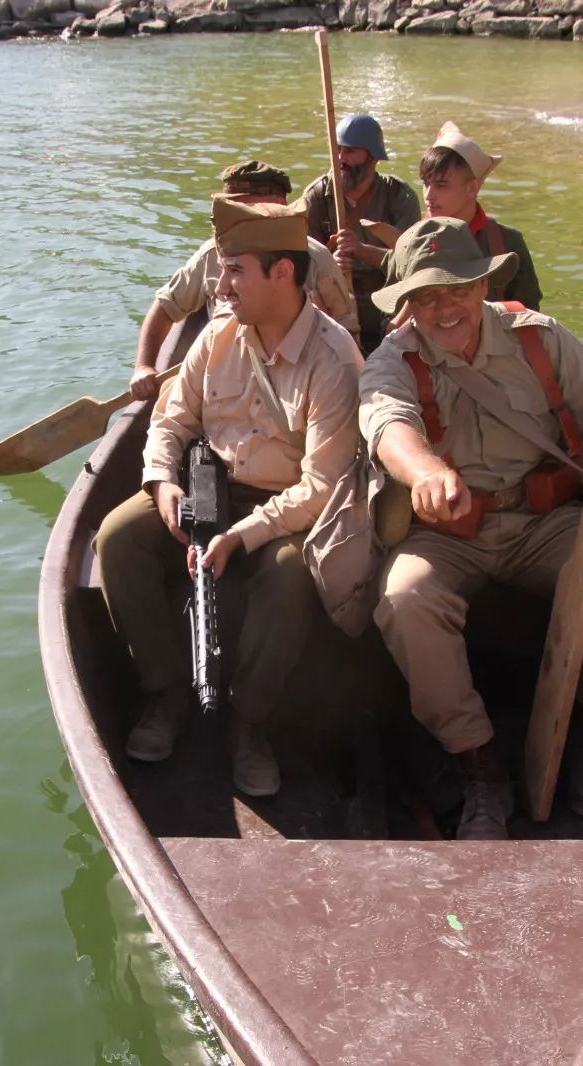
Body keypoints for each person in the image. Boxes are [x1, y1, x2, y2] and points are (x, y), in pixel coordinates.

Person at [357, 218, 583, 840]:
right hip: (449, 531)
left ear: (482, 285)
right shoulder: (393, 360)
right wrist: (427, 472)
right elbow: (388, 427)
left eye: (457, 290)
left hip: (547, 519)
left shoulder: (540, 339)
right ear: (407, 305)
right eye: (426, 296)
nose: (444, 308)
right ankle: (480, 769)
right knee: (405, 599)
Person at [95, 196, 363, 797]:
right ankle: (166, 693)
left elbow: (323, 486)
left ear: (283, 272)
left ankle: (251, 720)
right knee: (117, 536)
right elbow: (171, 421)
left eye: (235, 269)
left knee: (293, 573)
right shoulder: (217, 339)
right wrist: (163, 482)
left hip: (286, 507)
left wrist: (242, 536)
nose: (221, 284)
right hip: (207, 490)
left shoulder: (334, 359)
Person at [128, 161, 357, 401]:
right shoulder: (210, 255)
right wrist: (143, 366)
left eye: (241, 208)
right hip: (225, 386)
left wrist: (318, 326)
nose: (228, 218)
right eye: (227, 208)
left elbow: (347, 338)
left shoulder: (317, 260)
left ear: (277, 206)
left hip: (295, 389)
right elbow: (165, 306)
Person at [301, 113, 422, 353]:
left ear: (373, 157)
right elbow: (301, 266)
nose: (340, 159)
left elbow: (413, 264)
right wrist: (330, 264)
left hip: (389, 307)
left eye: (351, 151)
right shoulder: (316, 197)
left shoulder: (399, 197)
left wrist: (362, 250)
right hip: (334, 308)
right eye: (337, 150)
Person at [416, 121, 542, 309]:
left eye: (441, 186)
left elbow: (529, 312)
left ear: (472, 188)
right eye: (426, 183)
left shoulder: (506, 242)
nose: (428, 195)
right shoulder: (413, 240)